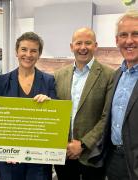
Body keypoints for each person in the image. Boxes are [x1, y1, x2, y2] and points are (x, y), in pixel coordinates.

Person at [0, 32, 56, 180]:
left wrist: (50, 105)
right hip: (9, 156)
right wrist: (4, 149)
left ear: (39, 54)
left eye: (33, 50)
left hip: (39, 157)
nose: (28, 54)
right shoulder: (2, 81)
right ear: (17, 52)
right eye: (24, 49)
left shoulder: (49, 81)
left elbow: (55, 119)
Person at [54, 27, 114, 180]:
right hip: (64, 153)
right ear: (71, 46)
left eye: (88, 43)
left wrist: (82, 144)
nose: (83, 47)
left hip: (92, 155)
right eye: (78, 43)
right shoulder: (58, 75)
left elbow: (106, 117)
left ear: (95, 45)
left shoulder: (109, 75)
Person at [102, 9, 138, 180]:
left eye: (136, 34)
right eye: (123, 35)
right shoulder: (117, 75)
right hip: (114, 160)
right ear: (117, 41)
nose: (129, 41)